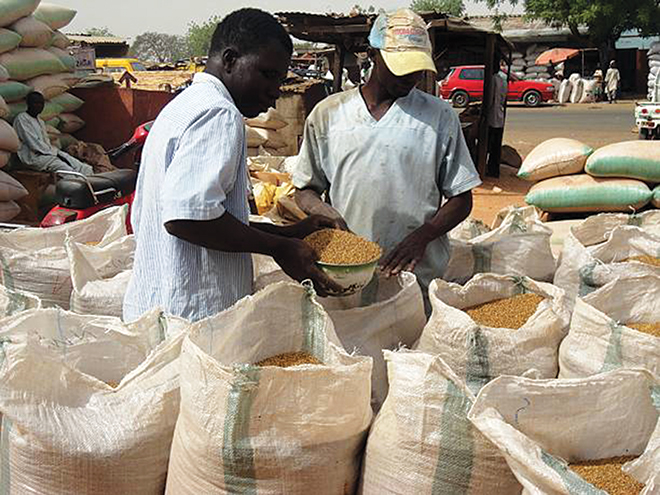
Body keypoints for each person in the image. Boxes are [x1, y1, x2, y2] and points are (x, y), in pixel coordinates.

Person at [123, 9, 341, 323]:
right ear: (230, 60)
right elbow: (187, 218)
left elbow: (209, 217)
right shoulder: (219, 114)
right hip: (193, 317)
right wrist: (279, 249)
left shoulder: (184, 105)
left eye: (280, 79)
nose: (275, 90)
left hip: (160, 309)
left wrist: (289, 233)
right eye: (268, 74)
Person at [293, 8, 481, 310]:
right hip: (345, 276)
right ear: (372, 55)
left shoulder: (439, 117)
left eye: (417, 68)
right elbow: (304, 189)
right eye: (400, 66)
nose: (411, 77)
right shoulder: (328, 115)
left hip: (413, 275)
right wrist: (323, 212)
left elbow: (462, 198)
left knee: (410, 353)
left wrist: (424, 235)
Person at [13, 92, 94, 176]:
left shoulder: (40, 121)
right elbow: (34, 143)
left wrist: (56, 153)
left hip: (47, 154)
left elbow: (46, 141)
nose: (39, 106)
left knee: (80, 165)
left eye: (41, 103)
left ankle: (91, 183)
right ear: (29, 104)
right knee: (66, 169)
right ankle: (77, 186)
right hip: (34, 157)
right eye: (35, 103)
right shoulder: (22, 119)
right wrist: (53, 153)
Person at [487, 55, 508, 178]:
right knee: (496, 146)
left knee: (490, 144)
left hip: (492, 117)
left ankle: (490, 169)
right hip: (499, 115)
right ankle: (494, 169)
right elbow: (503, 98)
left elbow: (489, 100)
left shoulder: (493, 80)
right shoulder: (502, 79)